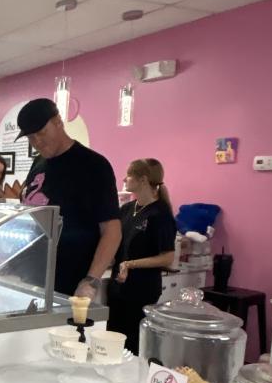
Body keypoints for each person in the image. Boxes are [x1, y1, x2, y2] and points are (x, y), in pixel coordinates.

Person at [16, 98, 121, 299]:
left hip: (69, 285)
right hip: (32, 279)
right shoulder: (38, 163)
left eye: (41, 133)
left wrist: (91, 280)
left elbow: (111, 230)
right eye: (30, 137)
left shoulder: (93, 165)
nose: (37, 142)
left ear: (58, 122)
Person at [108, 159, 178, 354]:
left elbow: (167, 257)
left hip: (141, 290)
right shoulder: (126, 209)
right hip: (118, 287)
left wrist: (131, 264)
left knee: (132, 344)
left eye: (129, 175)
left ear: (143, 180)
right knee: (113, 340)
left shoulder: (160, 214)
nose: (124, 179)